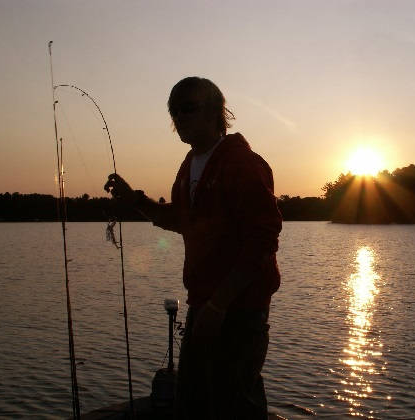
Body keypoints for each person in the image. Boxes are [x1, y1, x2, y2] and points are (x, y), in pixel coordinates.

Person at [104, 76, 282, 419]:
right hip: (204, 305)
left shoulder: (243, 164)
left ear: (216, 111)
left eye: (188, 108)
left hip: (239, 310)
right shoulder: (190, 166)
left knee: (236, 404)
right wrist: (133, 199)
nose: (179, 117)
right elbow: (184, 220)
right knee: (195, 401)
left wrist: (219, 305)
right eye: (174, 111)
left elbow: (263, 239)